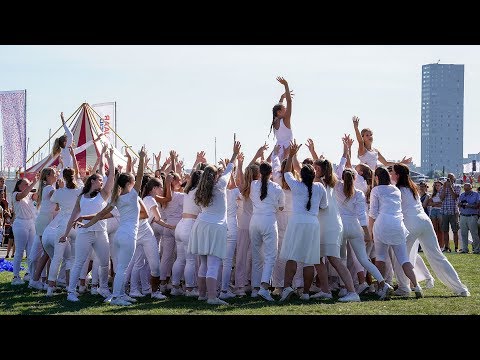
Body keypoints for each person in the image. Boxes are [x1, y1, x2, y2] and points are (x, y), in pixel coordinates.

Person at [81, 147, 147, 306]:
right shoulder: (132, 194)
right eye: (133, 181)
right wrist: (142, 158)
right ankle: (117, 297)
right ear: (129, 184)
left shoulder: (116, 198)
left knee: (121, 267)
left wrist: (86, 225)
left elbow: (100, 215)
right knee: (123, 268)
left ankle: (122, 294)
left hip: (120, 235)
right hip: (128, 235)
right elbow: (140, 175)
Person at [392, 163, 470, 297]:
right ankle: (461, 288)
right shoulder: (413, 188)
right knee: (438, 256)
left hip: (411, 222)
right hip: (424, 221)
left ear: (397, 175)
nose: (391, 174)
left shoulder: (397, 189)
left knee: (400, 255)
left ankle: (404, 288)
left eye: (392, 172)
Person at [188, 139, 241, 305]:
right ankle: (211, 298)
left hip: (201, 226)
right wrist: (234, 154)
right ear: (215, 175)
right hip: (215, 227)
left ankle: (202, 295)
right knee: (213, 264)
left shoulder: (198, 189)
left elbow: (192, 176)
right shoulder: (221, 185)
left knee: (203, 263)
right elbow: (229, 168)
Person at [61, 148, 115, 302]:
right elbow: (73, 216)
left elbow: (111, 176)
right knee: (79, 262)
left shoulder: (103, 194)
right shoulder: (81, 197)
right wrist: (65, 234)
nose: (102, 182)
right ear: (92, 181)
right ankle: (71, 291)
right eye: (99, 180)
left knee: (105, 262)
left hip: (101, 232)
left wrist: (109, 157)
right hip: (84, 232)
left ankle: (103, 288)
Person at [279, 140, 326, 302]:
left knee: (292, 256)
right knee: (309, 260)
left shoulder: (297, 186)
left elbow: (286, 173)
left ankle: (286, 288)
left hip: (297, 222)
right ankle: (306, 292)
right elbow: (324, 205)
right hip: (312, 223)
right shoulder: (320, 187)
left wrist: (291, 156)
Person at [368, 166, 423, 299]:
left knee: (380, 257)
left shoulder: (376, 190)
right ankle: (416, 285)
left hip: (382, 224)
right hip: (398, 224)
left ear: (377, 178)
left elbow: (373, 213)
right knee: (404, 259)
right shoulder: (395, 190)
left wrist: (370, 231)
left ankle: (382, 287)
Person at [269, 76, 293, 160]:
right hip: (288, 148)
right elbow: (289, 101)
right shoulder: (285, 120)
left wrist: (282, 97)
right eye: (284, 108)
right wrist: (286, 85)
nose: (286, 108)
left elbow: (277, 109)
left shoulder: (275, 121)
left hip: (278, 148)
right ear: (279, 112)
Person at [440, 173, 461, 252]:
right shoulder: (443, 187)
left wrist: (450, 187)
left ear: (454, 179)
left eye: (450, 178)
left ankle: (456, 248)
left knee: (455, 230)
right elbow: (441, 198)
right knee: (445, 230)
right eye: (448, 178)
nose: (449, 180)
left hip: (454, 211)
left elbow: (455, 197)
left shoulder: (457, 187)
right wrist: (445, 187)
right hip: (444, 211)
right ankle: (447, 247)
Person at [457, 182, 480, 254]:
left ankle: (476, 249)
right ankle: (464, 249)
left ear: (471, 188)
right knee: (463, 234)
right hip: (463, 215)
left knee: (474, 234)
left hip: (472, 216)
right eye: (465, 189)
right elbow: (459, 204)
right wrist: (460, 204)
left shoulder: (476, 195)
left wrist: (469, 205)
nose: (466, 190)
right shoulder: (462, 195)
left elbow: (477, 205)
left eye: (467, 189)